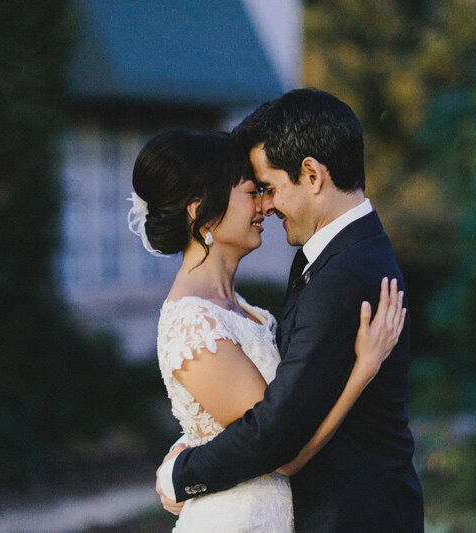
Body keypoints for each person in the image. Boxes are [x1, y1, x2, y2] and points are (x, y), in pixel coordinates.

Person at [155, 89, 424, 532]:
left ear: (312, 175)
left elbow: (276, 433)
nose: (266, 205)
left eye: (270, 188)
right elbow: (266, 402)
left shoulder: (344, 274)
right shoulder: (330, 256)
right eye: (256, 192)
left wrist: (182, 475)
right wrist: (196, 435)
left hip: (353, 517)